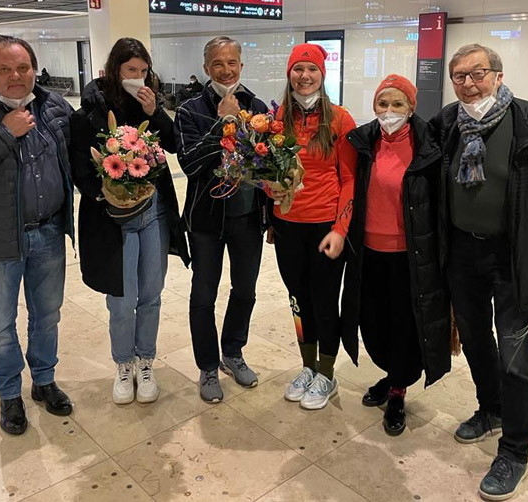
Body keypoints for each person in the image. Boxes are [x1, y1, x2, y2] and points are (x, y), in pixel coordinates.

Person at [431, 43, 528, 501]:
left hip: (515, 257)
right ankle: (491, 410)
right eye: (459, 76)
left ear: (498, 76)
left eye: (478, 73)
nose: (468, 83)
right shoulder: (447, 123)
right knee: (475, 340)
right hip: (462, 254)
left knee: (516, 355)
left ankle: (515, 450)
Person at [0, 35, 74, 435]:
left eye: (23, 67)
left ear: (34, 68)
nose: (15, 76)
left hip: (48, 234)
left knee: (47, 316)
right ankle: (10, 394)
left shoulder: (53, 105)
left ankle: (44, 381)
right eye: (4, 69)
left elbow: (75, 155)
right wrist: (6, 133)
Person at [70, 38, 189, 405]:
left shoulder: (148, 103)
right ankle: (123, 364)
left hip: (152, 214)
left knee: (151, 293)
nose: (137, 78)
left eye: (142, 71)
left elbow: (173, 145)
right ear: (115, 70)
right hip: (112, 219)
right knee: (121, 300)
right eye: (130, 71)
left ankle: (146, 361)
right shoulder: (90, 110)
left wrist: (157, 112)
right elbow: (80, 167)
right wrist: (105, 193)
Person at [340, 75, 451, 433]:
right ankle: (390, 374)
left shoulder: (429, 148)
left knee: (405, 325)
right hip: (368, 252)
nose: (389, 112)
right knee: (373, 322)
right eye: (382, 104)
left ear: (412, 108)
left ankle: (399, 389)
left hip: (410, 256)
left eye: (397, 104)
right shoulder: (363, 142)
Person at [174, 36, 268, 403]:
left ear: (241, 66)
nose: (225, 70)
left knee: (245, 290)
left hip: (247, 216)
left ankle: (233, 351)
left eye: (231, 63)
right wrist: (221, 124)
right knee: (203, 295)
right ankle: (208, 366)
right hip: (206, 221)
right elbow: (190, 164)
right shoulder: (190, 110)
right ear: (206, 68)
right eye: (217, 64)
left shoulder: (258, 107)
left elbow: (268, 163)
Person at [265, 43, 357, 410]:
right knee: (298, 301)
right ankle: (307, 365)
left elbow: (349, 179)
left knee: (323, 302)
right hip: (288, 226)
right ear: (289, 75)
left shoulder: (339, 119)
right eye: (298, 69)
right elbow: (267, 174)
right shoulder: (276, 120)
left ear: (322, 75)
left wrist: (341, 229)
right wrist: (272, 213)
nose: (304, 76)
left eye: (312, 70)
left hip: (325, 227)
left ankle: (327, 373)